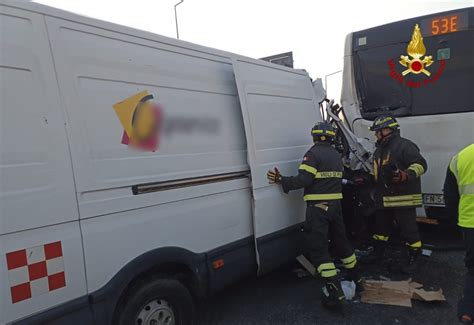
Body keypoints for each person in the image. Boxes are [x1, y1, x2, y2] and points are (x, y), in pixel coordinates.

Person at [266, 121, 362, 312]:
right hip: (336, 206)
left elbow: (304, 180)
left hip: (318, 207)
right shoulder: (336, 155)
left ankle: (335, 293)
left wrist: (282, 180)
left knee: (319, 248)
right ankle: (357, 279)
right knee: (341, 242)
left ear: (315, 136)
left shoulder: (313, 154)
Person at [369, 114, 427, 273]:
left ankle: (415, 258)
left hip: (403, 198)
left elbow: (421, 165)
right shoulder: (380, 150)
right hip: (385, 198)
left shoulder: (405, 146)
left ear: (388, 130)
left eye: (378, 131)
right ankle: (378, 254)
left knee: (409, 230)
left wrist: (405, 175)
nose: (376, 135)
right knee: (381, 229)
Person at [443, 143, 474, 325]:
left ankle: (468, 312)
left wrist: (455, 220)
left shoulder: (461, 156)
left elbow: (450, 195)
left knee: (473, 270)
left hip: (470, 224)